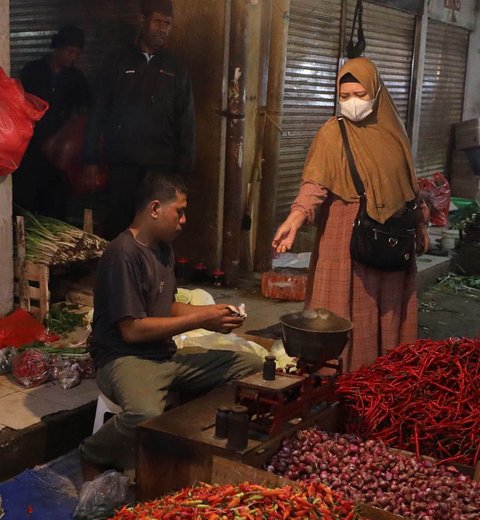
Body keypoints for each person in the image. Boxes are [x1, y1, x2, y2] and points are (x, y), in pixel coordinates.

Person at [79, 171, 262, 479]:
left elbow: (168, 305)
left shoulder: (163, 248)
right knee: (144, 413)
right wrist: (203, 318)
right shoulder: (122, 254)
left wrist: (213, 313)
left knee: (250, 364)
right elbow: (132, 330)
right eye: (179, 211)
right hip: (124, 358)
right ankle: (93, 452)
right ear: (154, 209)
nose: (184, 220)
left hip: (164, 355)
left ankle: (187, 439)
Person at [272, 57, 430, 373]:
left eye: (359, 94)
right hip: (345, 236)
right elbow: (314, 185)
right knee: (341, 311)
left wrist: (421, 224)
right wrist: (295, 219)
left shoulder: (394, 133)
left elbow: (407, 186)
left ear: (376, 92)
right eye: (344, 97)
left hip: (393, 237)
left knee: (385, 310)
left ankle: (382, 378)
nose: (352, 103)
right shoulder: (332, 134)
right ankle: (342, 381)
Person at [83, 0, 195, 240]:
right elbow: (98, 112)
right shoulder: (117, 61)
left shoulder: (176, 68)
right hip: (123, 163)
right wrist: (91, 159)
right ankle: (119, 272)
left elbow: (186, 121)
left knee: (159, 226)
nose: (163, 28)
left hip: (160, 165)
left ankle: (154, 274)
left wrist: (182, 170)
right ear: (142, 21)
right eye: (158, 21)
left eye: (168, 24)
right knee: (120, 222)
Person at [13, 25, 90, 219]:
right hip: (30, 148)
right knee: (25, 201)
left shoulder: (77, 78)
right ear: (58, 48)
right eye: (70, 52)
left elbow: (84, 111)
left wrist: (63, 136)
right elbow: (19, 103)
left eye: (77, 54)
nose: (73, 58)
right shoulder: (33, 70)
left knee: (54, 203)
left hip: (58, 154)